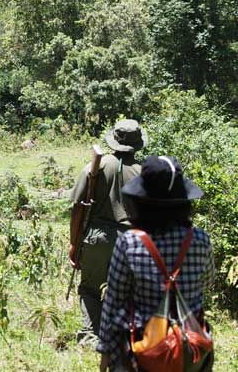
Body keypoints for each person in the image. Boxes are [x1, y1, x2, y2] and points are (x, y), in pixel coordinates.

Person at [98, 156, 215, 371]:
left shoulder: (130, 242)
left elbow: (113, 303)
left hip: (143, 353)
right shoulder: (200, 240)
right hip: (190, 353)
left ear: (141, 202)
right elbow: (207, 283)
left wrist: (105, 352)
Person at [69, 119, 147, 345]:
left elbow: (77, 209)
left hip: (98, 238)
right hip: (133, 241)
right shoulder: (145, 174)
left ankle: (91, 336)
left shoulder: (95, 168)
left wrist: (74, 243)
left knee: (91, 289)